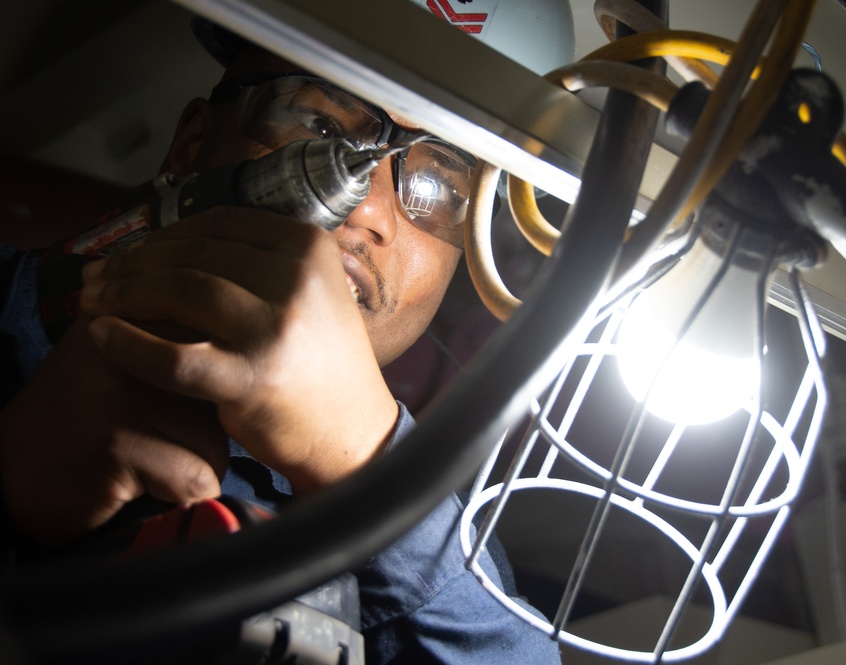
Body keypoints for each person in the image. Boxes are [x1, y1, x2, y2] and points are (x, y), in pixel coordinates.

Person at [0, 11, 566, 665]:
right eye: (320, 126)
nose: (367, 208)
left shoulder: (455, 556)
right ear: (191, 145)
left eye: (438, 184)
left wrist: (365, 463)